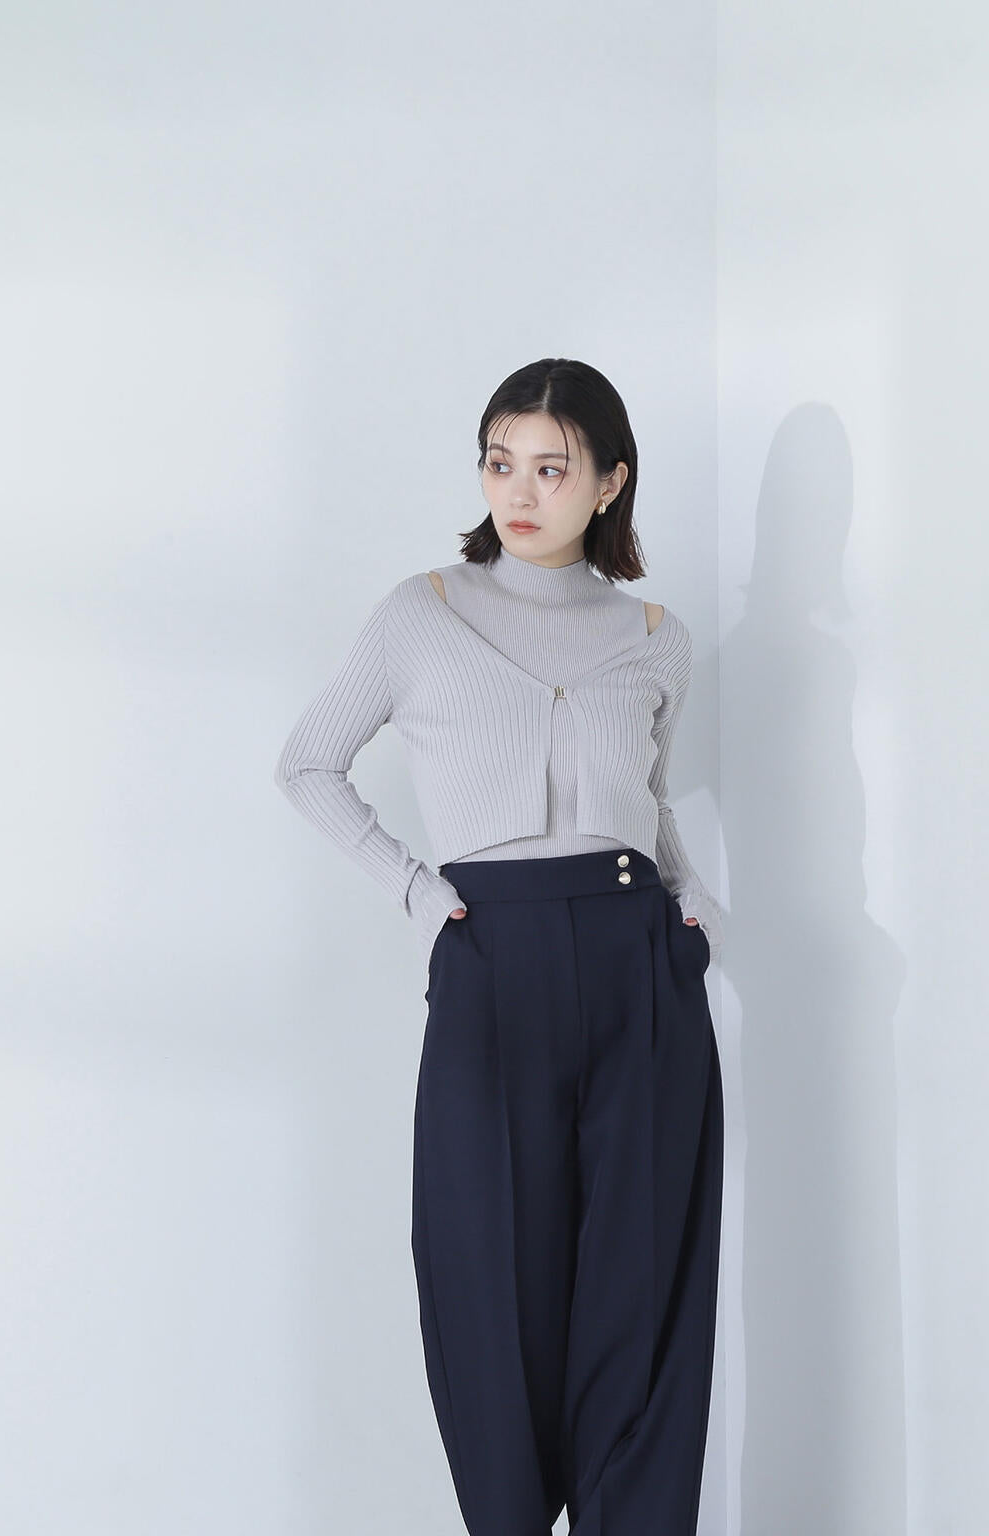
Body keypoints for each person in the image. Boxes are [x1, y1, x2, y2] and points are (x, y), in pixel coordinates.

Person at [273, 356, 725, 1536]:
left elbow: (644, 803)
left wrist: (691, 905)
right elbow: (307, 763)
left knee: (641, 1285)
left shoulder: (654, 636)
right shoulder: (420, 612)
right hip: (488, 959)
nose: (517, 492)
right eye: (498, 463)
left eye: (550, 468)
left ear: (609, 482)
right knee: (487, 1280)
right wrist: (417, 894)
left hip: (639, 962)